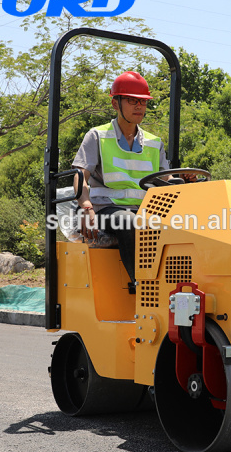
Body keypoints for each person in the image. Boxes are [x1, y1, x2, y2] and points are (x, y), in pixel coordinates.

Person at [72, 71, 173, 293]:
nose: (139, 107)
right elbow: (80, 176)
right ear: (115, 103)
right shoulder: (97, 136)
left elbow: (167, 179)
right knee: (128, 222)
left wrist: (183, 180)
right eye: (131, 100)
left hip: (145, 211)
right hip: (107, 211)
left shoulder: (155, 143)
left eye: (143, 102)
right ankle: (143, 287)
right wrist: (86, 209)